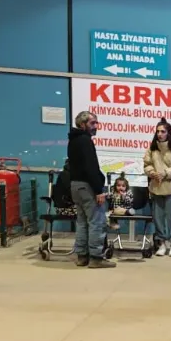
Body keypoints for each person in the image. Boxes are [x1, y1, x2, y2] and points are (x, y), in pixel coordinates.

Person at [67, 111, 115, 269]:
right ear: (83, 124)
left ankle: (82, 256)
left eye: (96, 122)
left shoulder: (73, 140)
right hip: (87, 186)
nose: (96, 126)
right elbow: (91, 167)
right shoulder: (85, 141)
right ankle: (96, 258)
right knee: (96, 222)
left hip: (75, 186)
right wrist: (98, 190)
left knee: (81, 222)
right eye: (92, 123)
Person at [144, 118, 171, 258]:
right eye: (158, 131)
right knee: (158, 218)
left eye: (163, 131)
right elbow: (147, 164)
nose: (160, 134)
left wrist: (166, 173)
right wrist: (151, 172)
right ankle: (161, 243)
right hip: (156, 188)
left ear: (169, 133)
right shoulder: (152, 149)